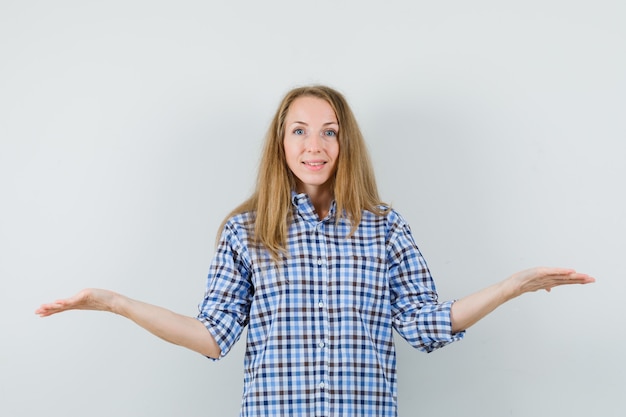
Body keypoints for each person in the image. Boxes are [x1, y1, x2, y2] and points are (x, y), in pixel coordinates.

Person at [36, 85, 595, 417]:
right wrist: (116, 304)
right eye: (300, 131)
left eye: (329, 131)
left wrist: (510, 287)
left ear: (344, 142)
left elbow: (425, 325)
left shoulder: (384, 228)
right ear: (281, 142)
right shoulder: (247, 232)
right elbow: (212, 335)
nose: (314, 145)